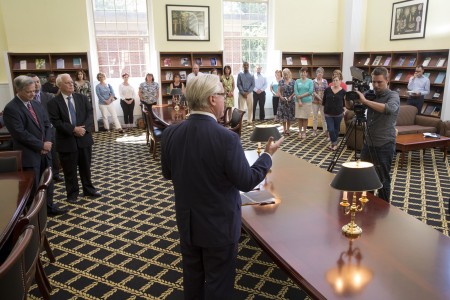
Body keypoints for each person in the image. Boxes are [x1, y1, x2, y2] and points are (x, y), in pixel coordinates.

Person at [161, 74, 283, 300]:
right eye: (222, 93)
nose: (226, 97)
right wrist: (267, 155)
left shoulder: (171, 133)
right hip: (219, 227)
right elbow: (246, 181)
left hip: (187, 223)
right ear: (211, 100)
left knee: (192, 279)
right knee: (219, 285)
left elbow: (168, 174)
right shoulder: (227, 138)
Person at [3, 75, 67, 215]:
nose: (33, 94)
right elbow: (20, 133)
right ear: (18, 90)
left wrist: (48, 142)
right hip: (30, 154)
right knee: (33, 187)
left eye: (34, 90)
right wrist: (41, 145)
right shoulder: (11, 109)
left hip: (46, 150)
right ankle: (35, 215)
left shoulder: (36, 104)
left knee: (47, 183)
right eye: (29, 91)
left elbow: (46, 124)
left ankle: (49, 207)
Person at [48, 73, 102, 203]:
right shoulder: (53, 102)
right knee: (69, 169)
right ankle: (72, 193)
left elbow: (90, 114)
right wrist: (73, 129)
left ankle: (89, 189)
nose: (71, 84)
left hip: (84, 138)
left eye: (71, 82)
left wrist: (83, 129)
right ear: (59, 85)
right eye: (67, 82)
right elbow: (56, 121)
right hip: (66, 140)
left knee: (86, 166)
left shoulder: (82, 98)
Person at [355, 67, 400, 202]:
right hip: (368, 143)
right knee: (365, 177)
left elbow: (389, 109)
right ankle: (367, 204)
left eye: (379, 82)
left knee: (382, 179)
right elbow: (355, 106)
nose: (375, 85)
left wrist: (365, 101)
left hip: (384, 143)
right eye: (373, 82)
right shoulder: (370, 93)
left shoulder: (393, 95)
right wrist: (352, 99)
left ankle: (384, 209)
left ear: (387, 80)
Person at [28, 73, 63, 182]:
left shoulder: (48, 96)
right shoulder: (27, 99)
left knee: (54, 153)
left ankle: (55, 174)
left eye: (38, 82)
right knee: (40, 153)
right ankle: (42, 175)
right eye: (33, 82)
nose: (37, 84)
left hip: (50, 130)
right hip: (35, 131)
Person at [323, 75, 345, 151]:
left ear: (340, 81)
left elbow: (344, 103)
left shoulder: (343, 92)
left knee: (336, 130)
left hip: (338, 114)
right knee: (331, 129)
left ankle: (333, 143)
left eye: (337, 80)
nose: (335, 82)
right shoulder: (327, 90)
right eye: (334, 80)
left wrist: (344, 110)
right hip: (328, 113)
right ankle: (335, 143)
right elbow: (324, 101)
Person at [294, 67, 314, 139]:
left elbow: (310, 91)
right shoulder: (297, 81)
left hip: (307, 102)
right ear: (300, 73)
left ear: (307, 73)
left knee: (305, 118)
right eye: (302, 72)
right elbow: (296, 91)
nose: (303, 74)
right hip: (298, 102)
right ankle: (299, 131)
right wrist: (299, 100)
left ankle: (304, 132)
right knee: (299, 118)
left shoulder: (310, 81)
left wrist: (301, 96)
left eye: (304, 72)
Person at [277, 68, 295, 135]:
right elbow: (278, 91)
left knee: (289, 116)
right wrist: (281, 97)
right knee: (284, 116)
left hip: (290, 100)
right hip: (282, 101)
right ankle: (284, 129)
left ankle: (288, 129)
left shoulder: (293, 82)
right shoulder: (281, 81)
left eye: (286, 75)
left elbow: (295, 91)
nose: (285, 76)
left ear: (289, 74)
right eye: (284, 75)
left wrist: (291, 97)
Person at [312, 67, 328, 137]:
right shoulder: (313, 81)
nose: (320, 74)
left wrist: (323, 99)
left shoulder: (325, 81)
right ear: (316, 73)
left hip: (323, 102)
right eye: (318, 73)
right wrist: (319, 98)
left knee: (323, 117)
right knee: (315, 116)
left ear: (323, 74)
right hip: (315, 102)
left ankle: (325, 131)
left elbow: (327, 91)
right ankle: (314, 131)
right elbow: (312, 92)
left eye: (321, 73)